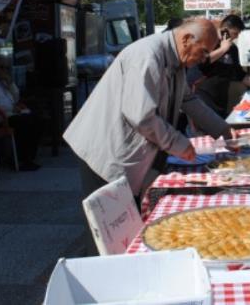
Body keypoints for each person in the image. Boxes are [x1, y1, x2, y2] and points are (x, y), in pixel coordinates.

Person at [64, 19, 232, 250]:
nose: (203, 59)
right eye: (203, 52)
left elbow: (188, 100)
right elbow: (141, 115)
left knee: (126, 225)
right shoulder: (147, 56)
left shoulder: (175, 61)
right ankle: (98, 276)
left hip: (125, 150)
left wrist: (223, 129)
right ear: (186, 40)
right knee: (107, 233)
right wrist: (179, 144)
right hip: (104, 150)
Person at [192, 14, 250, 117]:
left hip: (221, 96)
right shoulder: (208, 41)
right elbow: (201, 62)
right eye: (235, 33)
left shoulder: (233, 48)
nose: (236, 37)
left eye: (238, 34)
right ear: (225, 29)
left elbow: (238, 72)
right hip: (203, 93)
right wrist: (222, 49)